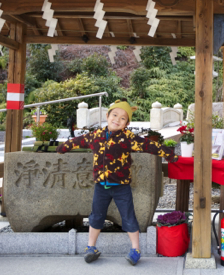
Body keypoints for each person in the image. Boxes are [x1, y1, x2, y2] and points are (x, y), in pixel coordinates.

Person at [56, 99, 178, 265]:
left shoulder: (128, 138)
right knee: (96, 216)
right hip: (101, 186)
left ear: (127, 123)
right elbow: (78, 141)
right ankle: (91, 247)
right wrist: (62, 148)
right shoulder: (96, 136)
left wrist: (170, 154)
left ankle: (136, 249)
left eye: (123, 118)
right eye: (115, 115)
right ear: (107, 116)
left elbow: (149, 145)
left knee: (128, 216)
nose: (117, 120)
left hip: (122, 187)